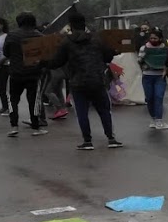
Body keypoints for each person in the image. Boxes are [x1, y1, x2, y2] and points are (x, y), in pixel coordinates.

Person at [49, 13, 123, 150]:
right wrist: (113, 51)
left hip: (78, 82)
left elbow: (56, 62)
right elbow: (107, 57)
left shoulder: (66, 42)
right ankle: (111, 139)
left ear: (70, 26)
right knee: (104, 111)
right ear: (85, 24)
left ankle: (87, 141)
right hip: (98, 80)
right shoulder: (98, 39)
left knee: (82, 112)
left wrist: (41, 62)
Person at [2, 12, 48, 138]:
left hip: (15, 72)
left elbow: (6, 52)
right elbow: (44, 54)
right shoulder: (39, 36)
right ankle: (36, 127)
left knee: (13, 100)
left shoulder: (12, 35)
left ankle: (14, 126)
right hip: (34, 73)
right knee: (34, 101)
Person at [139, 29, 168, 130]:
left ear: (160, 39)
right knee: (149, 98)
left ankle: (159, 121)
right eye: (151, 38)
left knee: (158, 97)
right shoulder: (144, 48)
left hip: (160, 76)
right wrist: (144, 64)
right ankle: (153, 119)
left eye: (155, 38)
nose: (153, 40)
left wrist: (166, 70)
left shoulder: (165, 49)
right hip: (147, 76)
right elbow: (139, 60)